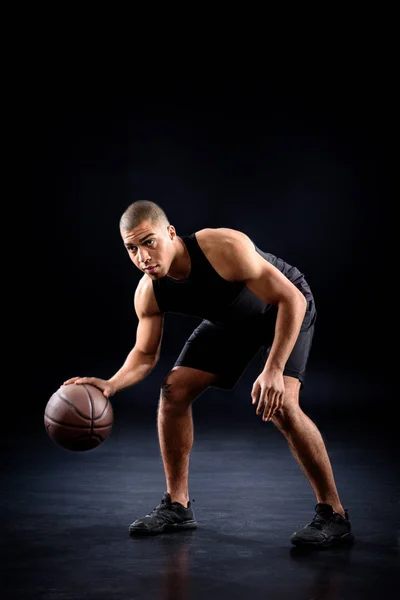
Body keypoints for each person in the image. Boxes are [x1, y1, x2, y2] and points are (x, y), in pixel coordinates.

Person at [64, 200, 354, 548]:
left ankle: (334, 514)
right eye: (132, 248)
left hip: (283, 308)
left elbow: (291, 300)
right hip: (231, 321)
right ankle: (177, 506)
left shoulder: (222, 247)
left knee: (282, 406)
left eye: (149, 241)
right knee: (173, 391)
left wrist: (274, 369)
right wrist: (110, 385)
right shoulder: (149, 291)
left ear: (170, 233)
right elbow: (144, 354)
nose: (142, 256)